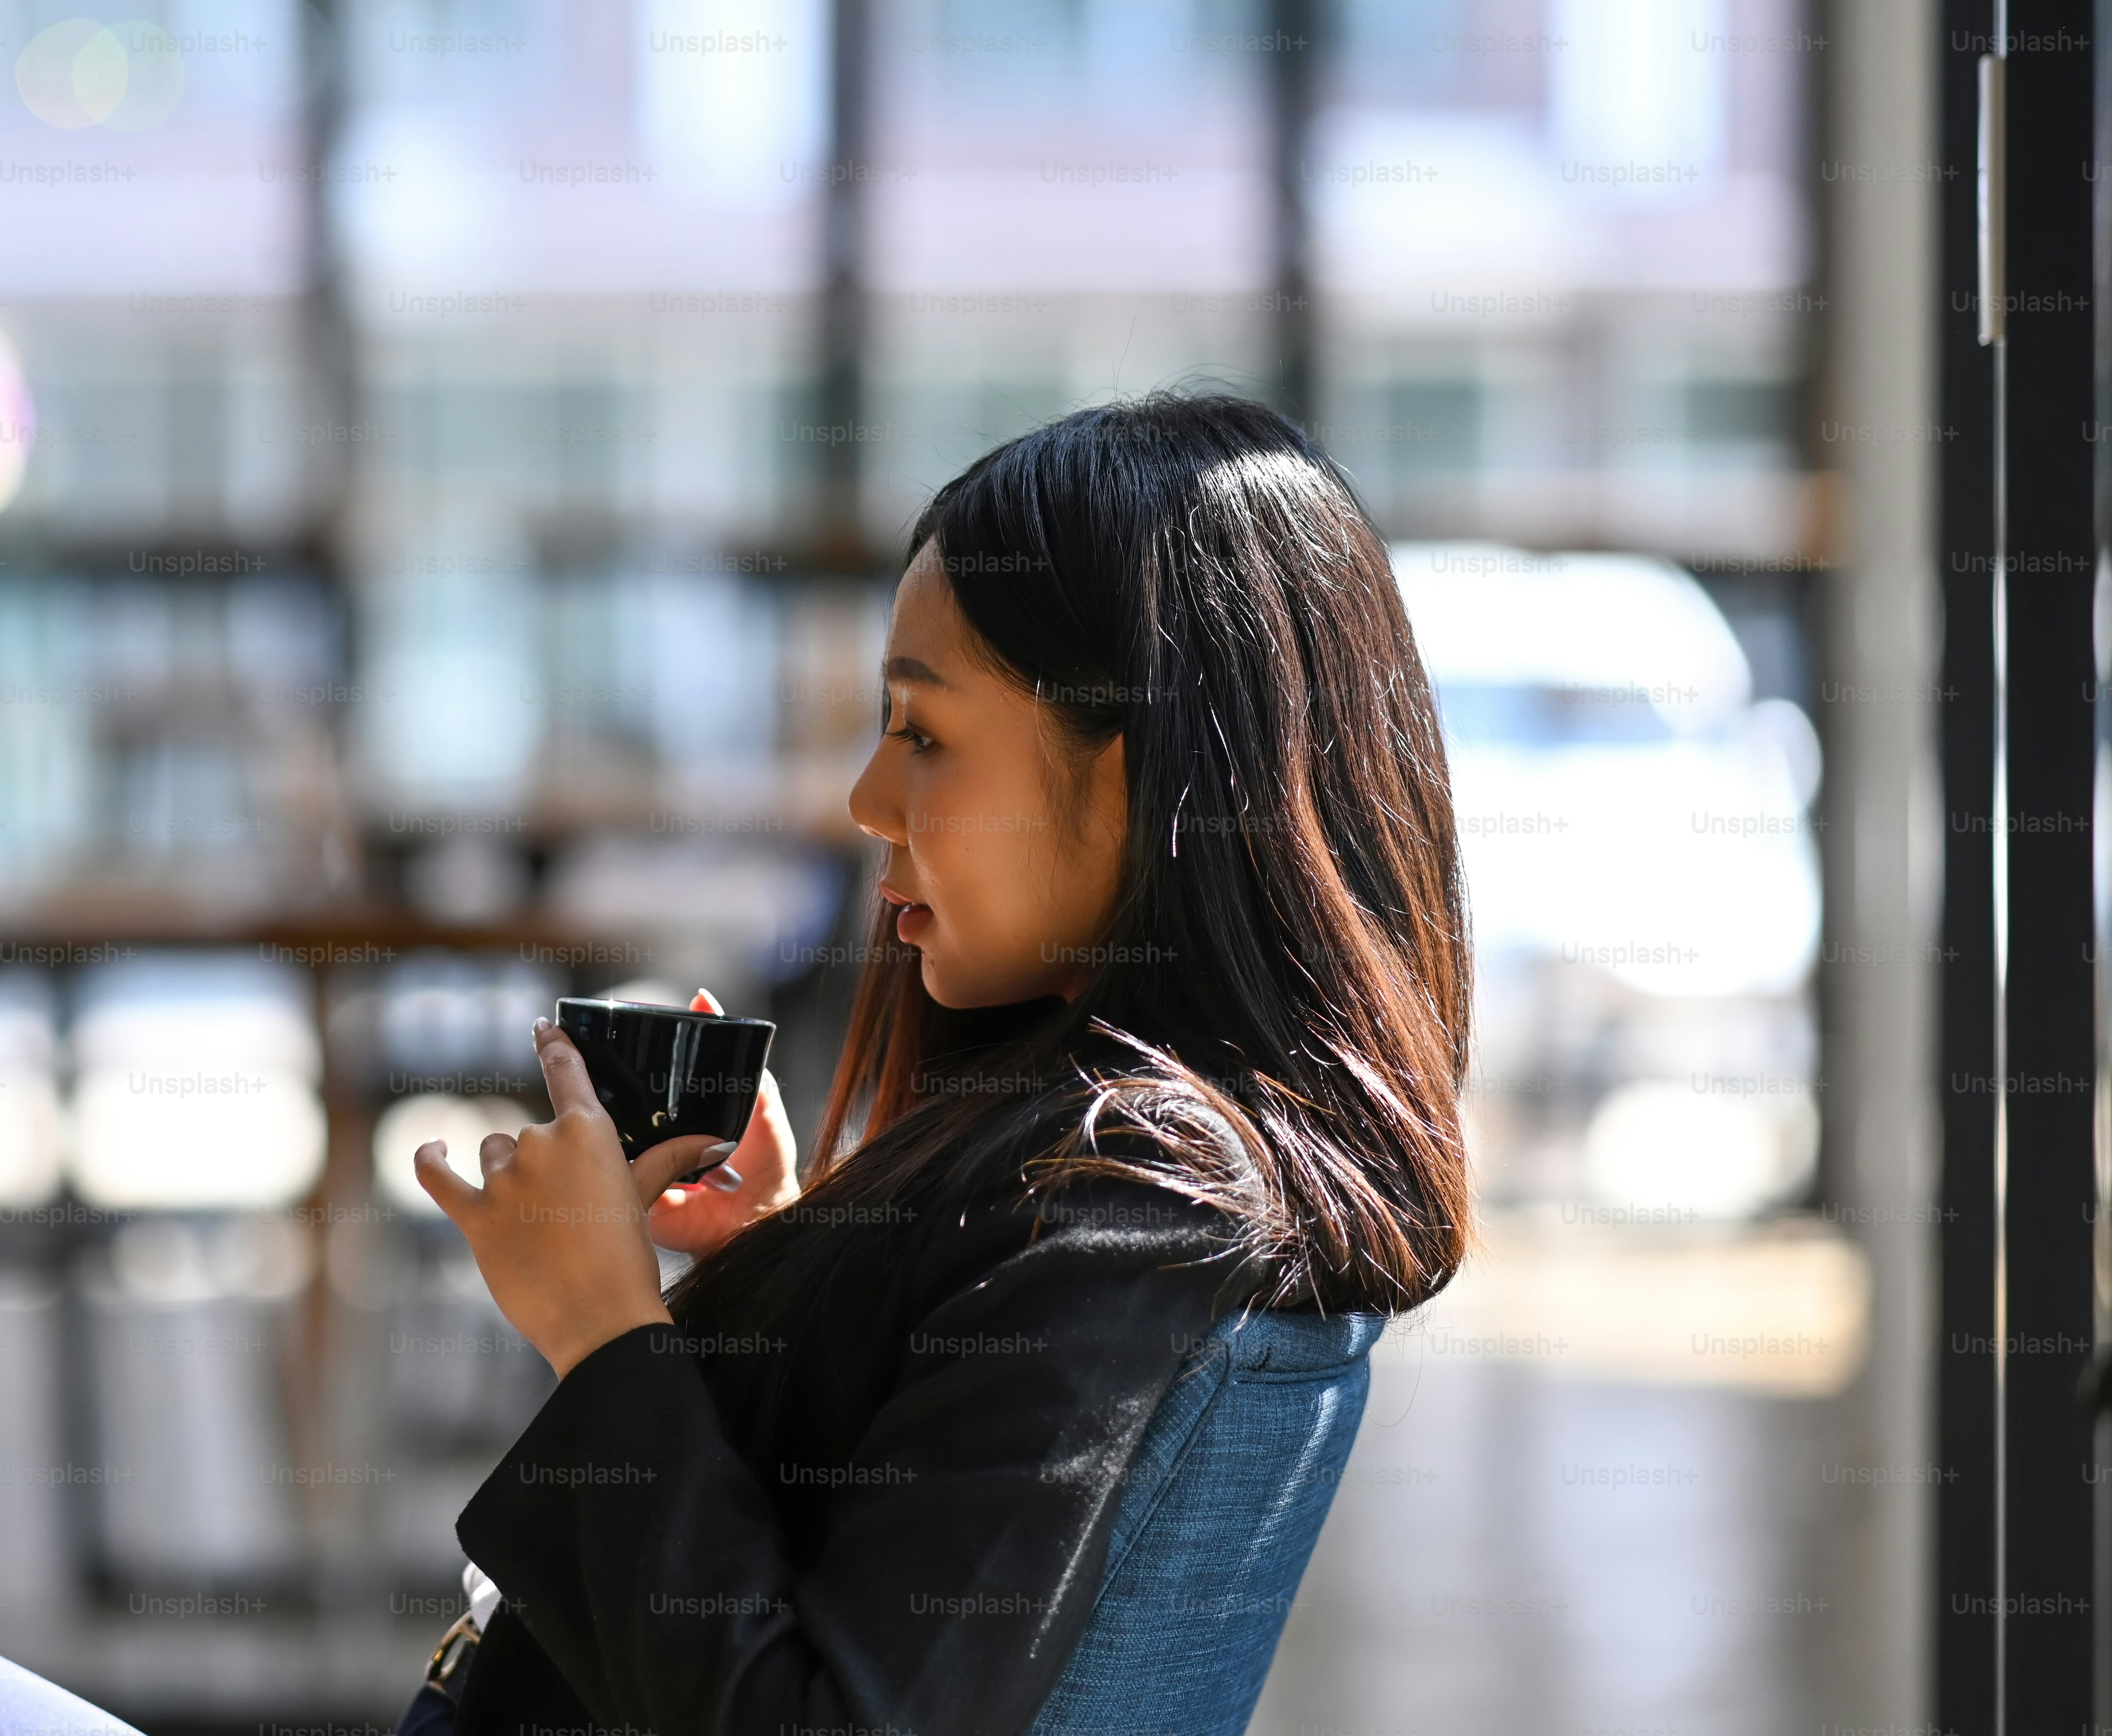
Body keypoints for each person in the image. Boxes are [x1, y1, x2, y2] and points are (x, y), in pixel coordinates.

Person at [406, 392, 1472, 1736]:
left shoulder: (1142, 1211)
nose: (866, 799)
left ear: (1149, 782)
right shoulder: (1135, 1187)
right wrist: (804, 1268)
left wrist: (604, 1335)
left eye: (924, 733)